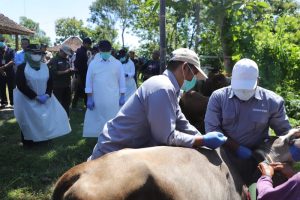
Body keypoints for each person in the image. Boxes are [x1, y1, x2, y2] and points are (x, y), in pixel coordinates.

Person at [88, 48, 227, 160]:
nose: (193, 79)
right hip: (112, 152)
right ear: (184, 68)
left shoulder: (171, 89)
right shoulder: (162, 88)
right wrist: (201, 140)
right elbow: (166, 137)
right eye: (194, 73)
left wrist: (201, 137)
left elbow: (180, 121)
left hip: (128, 153)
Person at [204, 58, 292, 184]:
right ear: (231, 80)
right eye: (240, 87)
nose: (243, 92)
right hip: (224, 157)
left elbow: (284, 134)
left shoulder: (272, 101)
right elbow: (212, 130)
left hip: (258, 160)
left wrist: (291, 147)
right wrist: (236, 147)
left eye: (247, 88)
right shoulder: (218, 97)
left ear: (257, 81)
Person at [13, 44, 71, 147]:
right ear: (28, 54)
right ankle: (29, 142)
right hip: (27, 99)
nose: (37, 55)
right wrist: (35, 96)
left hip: (45, 98)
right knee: (29, 120)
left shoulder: (45, 67)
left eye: (39, 53)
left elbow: (50, 82)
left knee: (44, 119)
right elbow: (20, 84)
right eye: (34, 53)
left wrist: (47, 95)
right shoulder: (22, 67)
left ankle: (44, 138)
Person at [82, 40, 126, 138]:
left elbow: (122, 80)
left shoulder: (117, 63)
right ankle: (99, 137)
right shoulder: (93, 64)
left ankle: (112, 137)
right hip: (98, 97)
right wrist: (89, 97)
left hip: (113, 97)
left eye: (108, 51)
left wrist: (122, 95)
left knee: (112, 118)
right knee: (98, 119)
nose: (106, 53)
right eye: (104, 51)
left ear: (111, 50)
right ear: (99, 50)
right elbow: (88, 81)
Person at [48, 45, 73, 116]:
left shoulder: (67, 60)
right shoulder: (54, 60)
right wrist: (67, 71)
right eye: (65, 53)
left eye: (67, 54)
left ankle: (66, 116)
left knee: (67, 102)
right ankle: (56, 117)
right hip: (57, 86)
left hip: (67, 84)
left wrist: (71, 71)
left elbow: (68, 71)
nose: (66, 55)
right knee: (57, 102)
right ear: (61, 51)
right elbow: (54, 72)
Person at [72, 37, 92, 108]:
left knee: (82, 89)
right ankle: (76, 105)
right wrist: (78, 76)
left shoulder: (84, 51)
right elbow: (77, 64)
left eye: (90, 44)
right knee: (80, 89)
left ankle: (84, 104)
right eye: (88, 44)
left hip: (83, 74)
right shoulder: (80, 51)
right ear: (84, 43)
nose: (89, 46)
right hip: (81, 74)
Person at [0, 41, 15, 108]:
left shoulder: (11, 50)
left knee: (11, 87)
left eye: (2, 49)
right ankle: (4, 102)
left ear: (5, 46)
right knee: (2, 87)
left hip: (10, 72)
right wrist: (1, 70)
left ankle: (12, 102)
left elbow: (12, 61)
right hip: (1, 72)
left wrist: (4, 66)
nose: (2, 51)